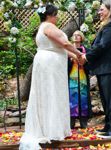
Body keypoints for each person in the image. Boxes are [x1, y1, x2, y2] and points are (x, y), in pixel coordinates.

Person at [19, 4, 82, 150]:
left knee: (51, 94)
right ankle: (51, 130)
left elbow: (58, 48)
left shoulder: (43, 27)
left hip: (48, 63)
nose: (57, 17)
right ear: (50, 15)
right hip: (50, 65)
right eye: (56, 14)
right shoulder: (48, 26)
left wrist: (74, 56)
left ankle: (51, 127)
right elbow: (65, 43)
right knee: (51, 94)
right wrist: (79, 54)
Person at [80, 0, 111, 138]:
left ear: (110, 11)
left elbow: (102, 46)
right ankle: (109, 125)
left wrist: (86, 57)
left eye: (102, 9)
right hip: (103, 68)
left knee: (110, 99)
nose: (99, 12)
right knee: (105, 99)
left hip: (109, 68)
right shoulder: (107, 26)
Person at [68, 30, 91, 129]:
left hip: (82, 77)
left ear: (81, 38)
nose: (76, 37)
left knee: (83, 98)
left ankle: (83, 121)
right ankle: (71, 121)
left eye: (78, 35)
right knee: (71, 98)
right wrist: (70, 61)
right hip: (71, 77)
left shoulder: (86, 50)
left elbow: (90, 64)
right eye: (74, 35)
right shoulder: (68, 50)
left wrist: (84, 62)